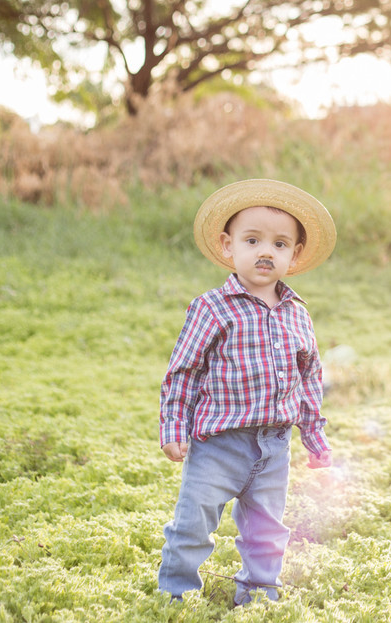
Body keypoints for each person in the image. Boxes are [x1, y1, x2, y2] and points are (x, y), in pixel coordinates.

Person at [157, 178, 337, 604]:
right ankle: (175, 595)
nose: (265, 252)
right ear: (228, 246)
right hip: (219, 445)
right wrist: (174, 427)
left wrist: (314, 437)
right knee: (193, 524)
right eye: (252, 240)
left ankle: (258, 595)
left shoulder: (298, 314)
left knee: (267, 530)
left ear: (294, 255)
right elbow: (184, 372)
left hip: (275, 447)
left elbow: (309, 379)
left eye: (279, 244)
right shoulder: (211, 308)